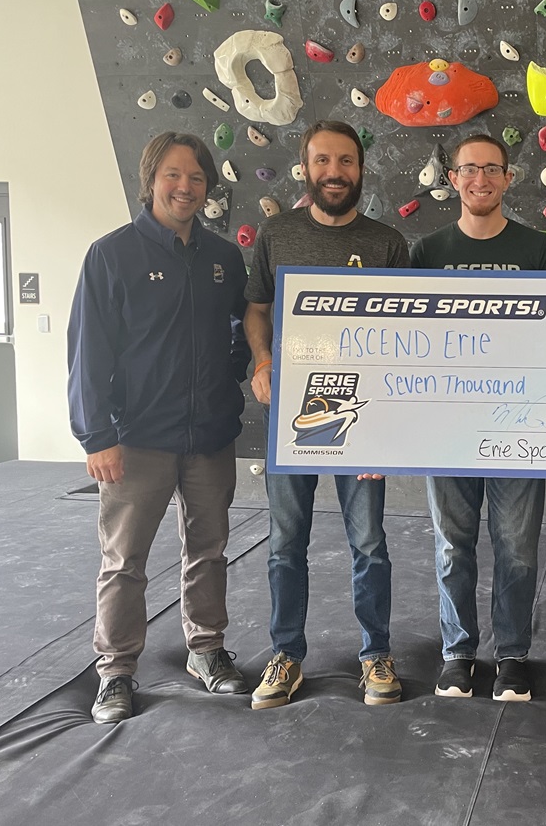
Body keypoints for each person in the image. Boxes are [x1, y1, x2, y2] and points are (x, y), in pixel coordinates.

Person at [68, 131, 251, 724]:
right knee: (124, 561)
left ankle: (206, 649)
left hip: (209, 436)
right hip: (136, 439)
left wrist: (229, 377)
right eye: (173, 175)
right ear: (150, 180)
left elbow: (242, 330)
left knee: (209, 550)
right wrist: (96, 436)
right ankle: (116, 671)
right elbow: (88, 353)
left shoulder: (224, 258)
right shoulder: (111, 255)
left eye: (196, 177)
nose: (185, 187)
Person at [245, 120, 411, 709]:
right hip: (293, 410)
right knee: (285, 542)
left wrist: (389, 422)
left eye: (345, 161)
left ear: (361, 169)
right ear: (305, 167)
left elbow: (406, 331)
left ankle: (375, 654)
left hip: (362, 414)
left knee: (369, 542)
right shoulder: (277, 234)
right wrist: (264, 361)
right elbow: (257, 308)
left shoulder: (388, 243)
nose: (334, 172)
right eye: (323, 161)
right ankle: (286, 654)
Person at [410, 134, 546, 701]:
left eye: (492, 169)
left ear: (508, 178)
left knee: (517, 546)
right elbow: (409, 341)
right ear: (452, 178)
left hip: (518, 423)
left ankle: (513, 654)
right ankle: (457, 652)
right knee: (453, 544)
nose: (481, 179)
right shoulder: (426, 251)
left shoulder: (537, 249)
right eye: (469, 169)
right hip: (447, 424)